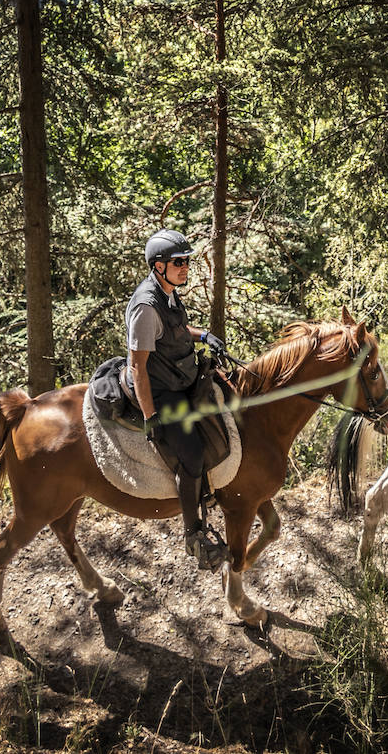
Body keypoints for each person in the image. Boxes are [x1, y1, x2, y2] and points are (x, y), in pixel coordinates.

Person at [123, 229, 229, 570]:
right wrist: (151, 416)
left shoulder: (167, 293)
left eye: (187, 261)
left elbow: (178, 331)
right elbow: (137, 367)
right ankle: (193, 535)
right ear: (158, 267)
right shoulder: (146, 307)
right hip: (161, 390)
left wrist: (204, 335)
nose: (185, 267)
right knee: (193, 454)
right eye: (178, 262)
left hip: (179, 376)